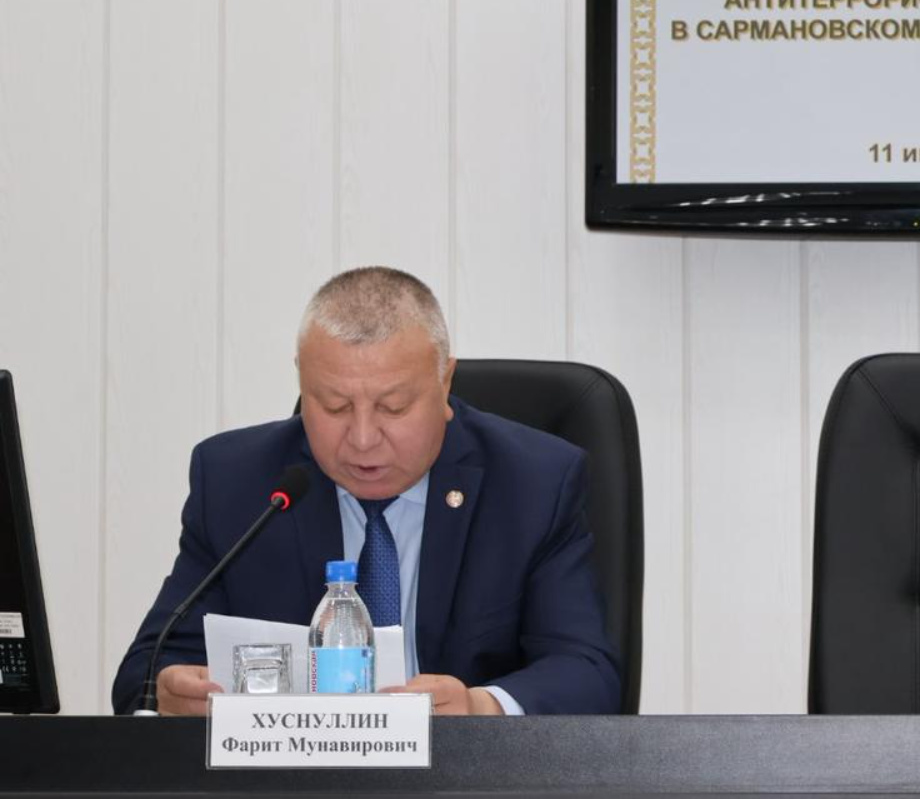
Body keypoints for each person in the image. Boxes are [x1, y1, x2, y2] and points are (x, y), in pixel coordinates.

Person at [112, 267, 620, 715]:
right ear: (302, 380)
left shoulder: (533, 483)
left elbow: (585, 673)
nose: (361, 439)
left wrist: (480, 707)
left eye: (393, 407)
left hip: (464, 779)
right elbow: (146, 669)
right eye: (334, 406)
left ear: (445, 382)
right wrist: (171, 693)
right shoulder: (238, 482)